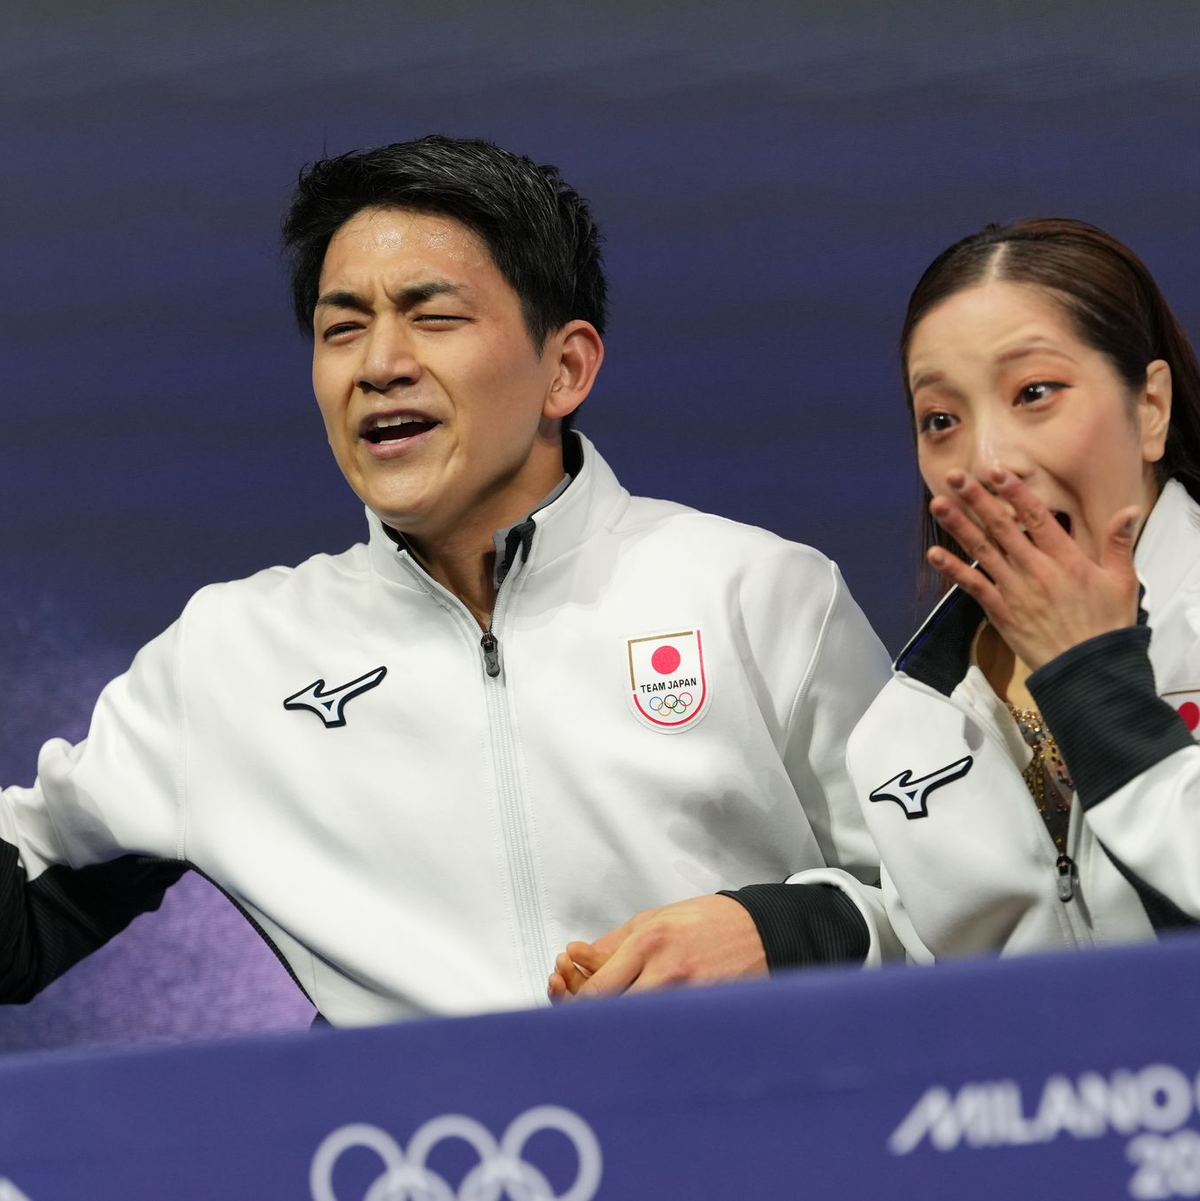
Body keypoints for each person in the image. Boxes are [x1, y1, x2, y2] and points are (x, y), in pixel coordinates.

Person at [0, 136, 890, 1025]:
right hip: (413, 1122)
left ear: (565, 369)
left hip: (751, 1110)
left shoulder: (760, 595)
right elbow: (20, 916)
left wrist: (782, 930)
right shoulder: (231, 657)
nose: (378, 364)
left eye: (432, 317)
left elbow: (946, 904)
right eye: (342, 328)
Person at [553, 217, 1200, 995]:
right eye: (941, 420)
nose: (987, 461)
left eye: (1035, 393)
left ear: (1150, 406)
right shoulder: (907, 727)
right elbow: (951, 954)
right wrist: (783, 930)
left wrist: (1094, 687)